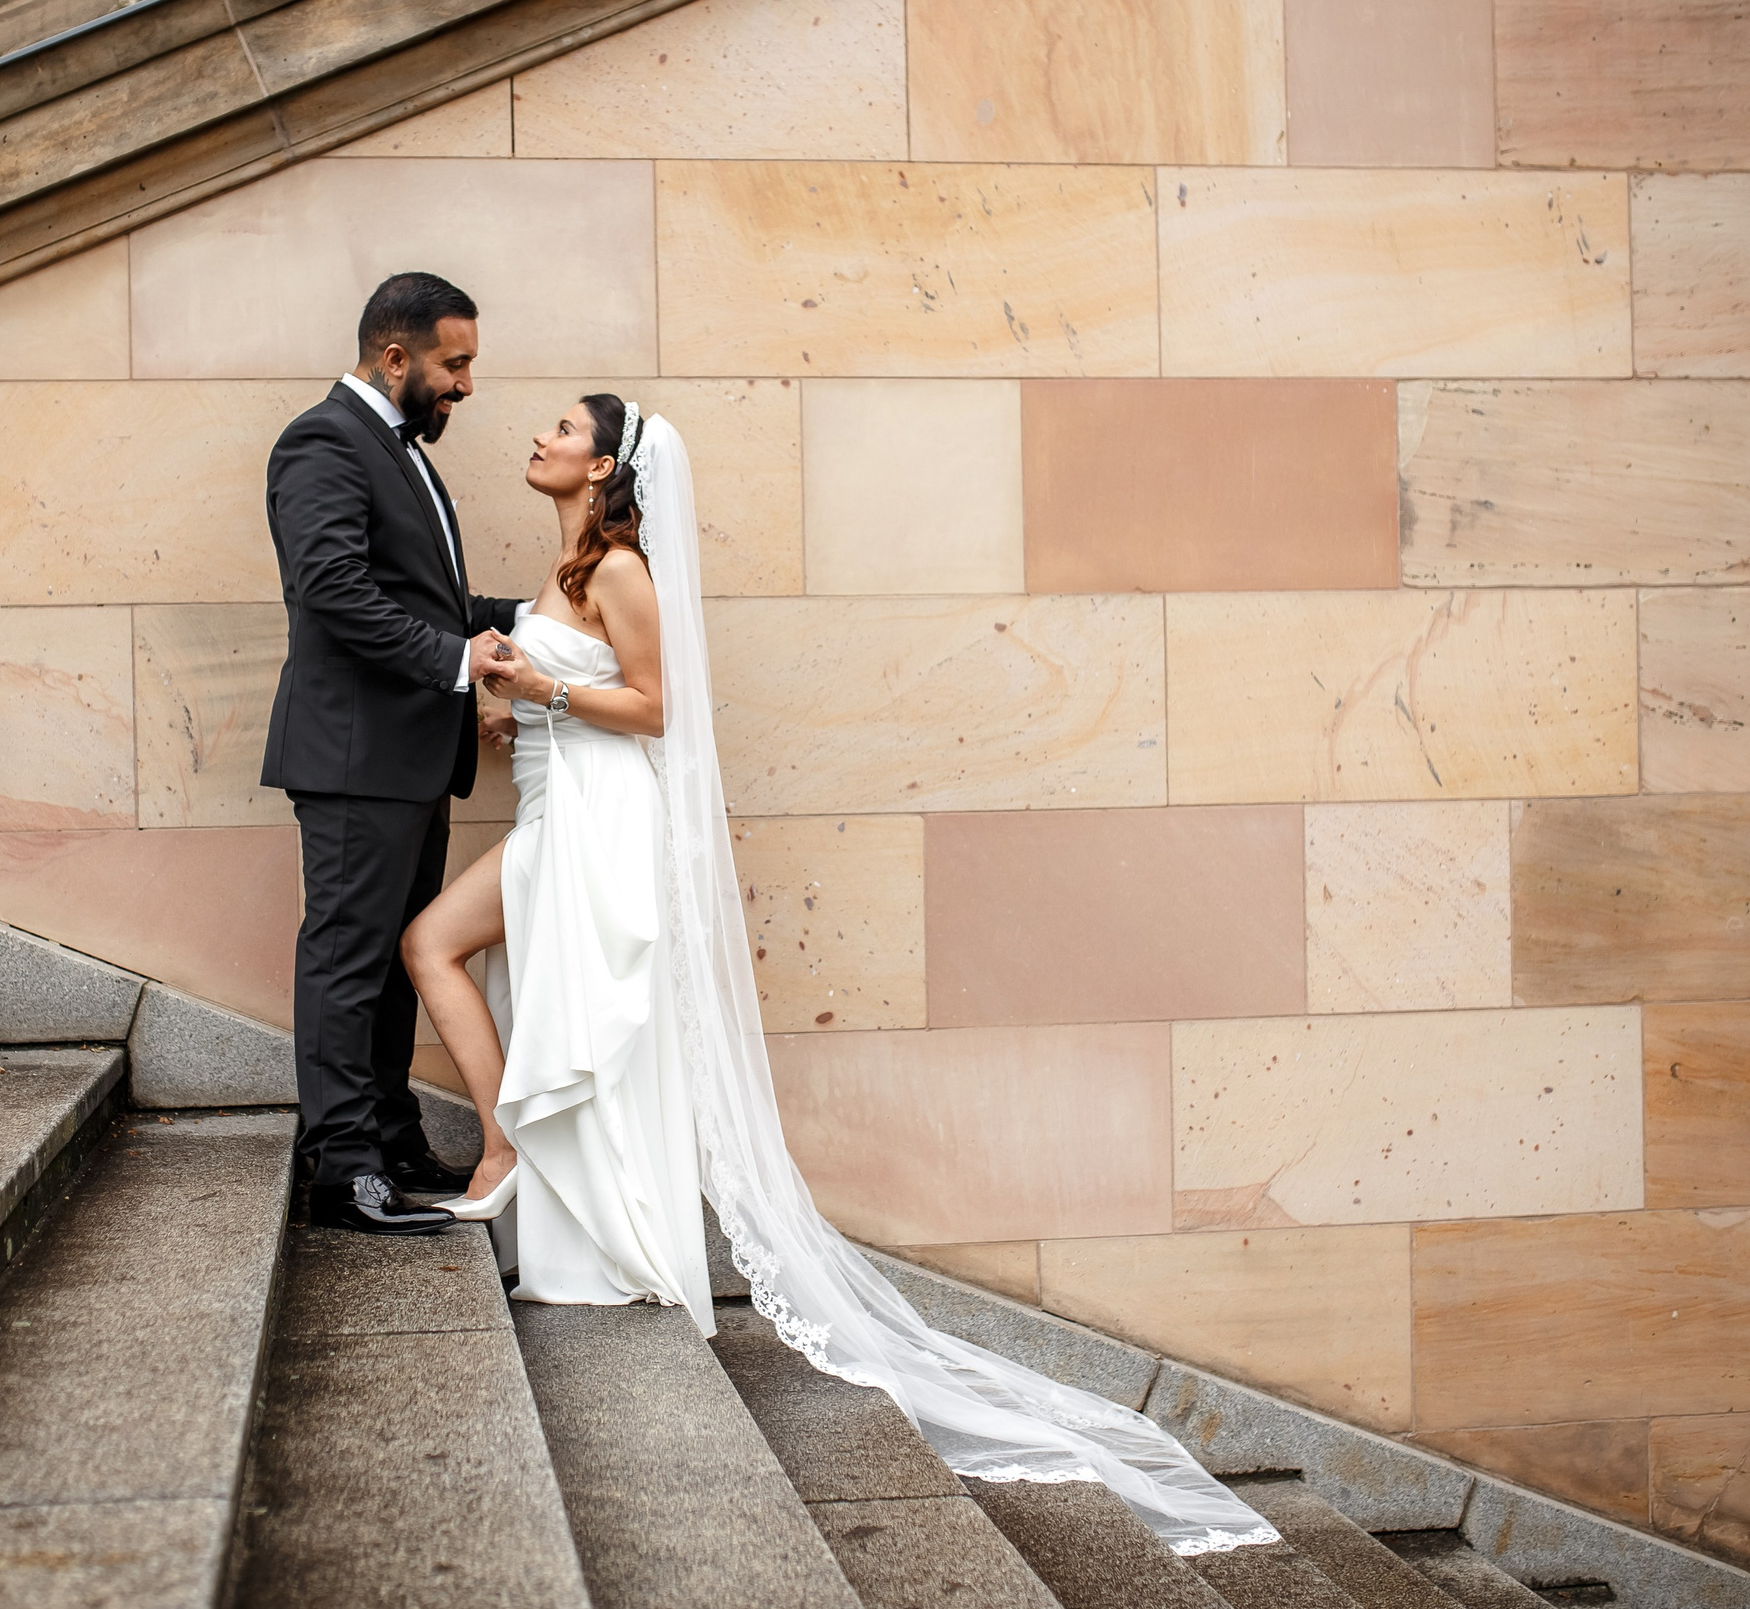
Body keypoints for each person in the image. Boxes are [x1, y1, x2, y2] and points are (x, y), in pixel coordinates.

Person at [401, 396, 1286, 1558]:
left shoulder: (618, 567)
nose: (537, 436)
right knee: (442, 949)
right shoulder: (568, 562)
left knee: (497, 974)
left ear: (603, 463)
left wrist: (538, 692)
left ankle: (543, 1186)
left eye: (560, 426)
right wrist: (521, 706)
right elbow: (585, 695)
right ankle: (515, 1153)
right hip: (560, 802)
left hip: (602, 822)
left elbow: (657, 710)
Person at [261, 272, 523, 1237]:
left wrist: (538, 619)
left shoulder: (400, 451)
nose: (465, 385)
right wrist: (455, 659)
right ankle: (343, 1167)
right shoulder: (323, 440)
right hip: (353, 756)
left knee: (387, 959)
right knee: (345, 959)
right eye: (455, 364)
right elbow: (331, 588)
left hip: (405, 760)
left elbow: (426, 599)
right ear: (396, 356)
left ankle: (391, 1134)